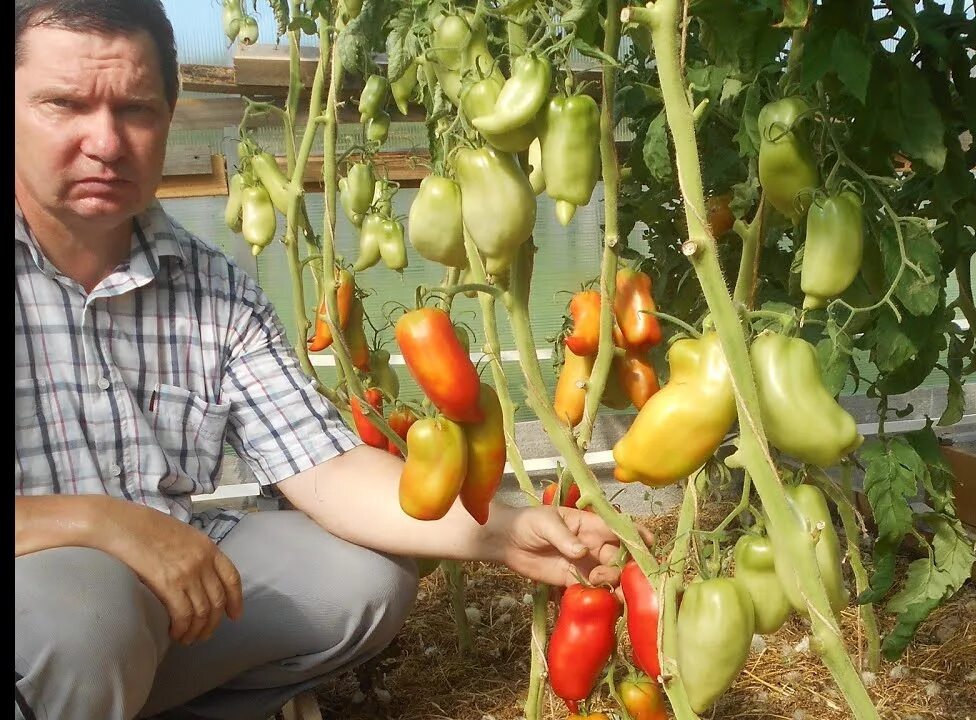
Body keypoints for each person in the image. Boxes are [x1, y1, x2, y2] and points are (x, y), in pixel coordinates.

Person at [14, 2, 632, 718]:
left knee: (360, 580)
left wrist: (505, 530)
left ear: (170, 116)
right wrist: (98, 523)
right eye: (63, 105)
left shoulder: (209, 285)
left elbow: (324, 466)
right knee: (86, 617)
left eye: (136, 109)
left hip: (163, 596)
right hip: (47, 604)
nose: (106, 142)